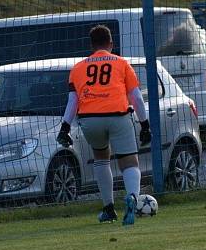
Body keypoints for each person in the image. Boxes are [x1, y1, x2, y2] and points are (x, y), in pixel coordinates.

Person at [57, 25, 151, 226]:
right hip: (117, 116)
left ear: (91, 45)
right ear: (111, 44)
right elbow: (135, 97)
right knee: (129, 162)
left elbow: (72, 102)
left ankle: (108, 208)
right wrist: (145, 124)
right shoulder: (122, 63)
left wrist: (65, 127)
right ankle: (132, 198)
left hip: (90, 120)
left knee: (101, 158)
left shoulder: (78, 68)